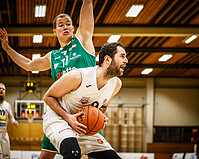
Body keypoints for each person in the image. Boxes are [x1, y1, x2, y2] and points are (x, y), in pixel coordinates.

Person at [0, 0, 96, 158]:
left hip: (85, 111)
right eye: (60, 24)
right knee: (45, 156)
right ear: (54, 31)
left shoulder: (83, 40)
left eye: (68, 24)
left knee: (90, 155)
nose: (65, 26)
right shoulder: (53, 56)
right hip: (60, 114)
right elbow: (29, 65)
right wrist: (7, 49)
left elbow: (87, 6)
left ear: (73, 28)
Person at [43, 42, 128, 159]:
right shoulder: (78, 76)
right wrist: (68, 117)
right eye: (122, 56)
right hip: (59, 119)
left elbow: (103, 106)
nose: (126, 60)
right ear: (107, 59)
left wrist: (100, 116)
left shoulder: (116, 84)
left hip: (82, 125)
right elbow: (48, 97)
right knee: (73, 153)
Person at [0, 83, 19, 159]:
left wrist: (14, 121)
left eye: (3, 89)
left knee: (7, 155)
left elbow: (11, 117)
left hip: (4, 133)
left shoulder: (7, 104)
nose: (1, 90)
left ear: (5, 92)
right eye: (0, 88)